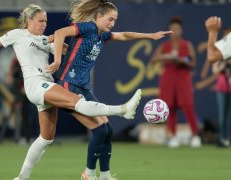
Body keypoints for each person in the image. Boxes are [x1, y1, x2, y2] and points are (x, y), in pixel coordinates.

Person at [0, 4, 142, 180]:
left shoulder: (44, 40)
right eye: (41, 21)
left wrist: (69, 46)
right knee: (77, 101)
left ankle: (21, 177)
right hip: (36, 85)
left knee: (46, 138)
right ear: (29, 21)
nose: (44, 25)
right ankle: (122, 109)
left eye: (46, 21)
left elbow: (70, 51)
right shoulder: (17, 34)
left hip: (47, 87)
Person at [48, 0, 172, 179]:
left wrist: (151, 36)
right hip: (68, 85)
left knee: (108, 130)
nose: (112, 24)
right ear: (98, 16)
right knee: (100, 130)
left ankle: (105, 174)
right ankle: (89, 174)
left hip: (83, 87)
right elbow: (60, 33)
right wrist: (58, 60)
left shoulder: (102, 36)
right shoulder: (88, 28)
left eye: (115, 20)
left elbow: (125, 36)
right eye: (110, 19)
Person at [150, 16, 201, 148]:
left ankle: (195, 135)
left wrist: (183, 61)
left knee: (188, 106)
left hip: (183, 77)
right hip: (168, 78)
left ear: (181, 31)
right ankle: (173, 136)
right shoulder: (164, 46)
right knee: (170, 107)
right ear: (169, 31)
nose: (175, 31)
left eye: (177, 29)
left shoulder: (187, 45)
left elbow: (193, 63)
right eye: (172, 29)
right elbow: (153, 59)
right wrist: (166, 56)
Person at [206, 25, 231, 147]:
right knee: (223, 114)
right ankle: (223, 138)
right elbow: (215, 69)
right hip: (222, 86)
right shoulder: (220, 48)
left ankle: (229, 138)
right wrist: (223, 65)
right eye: (226, 34)